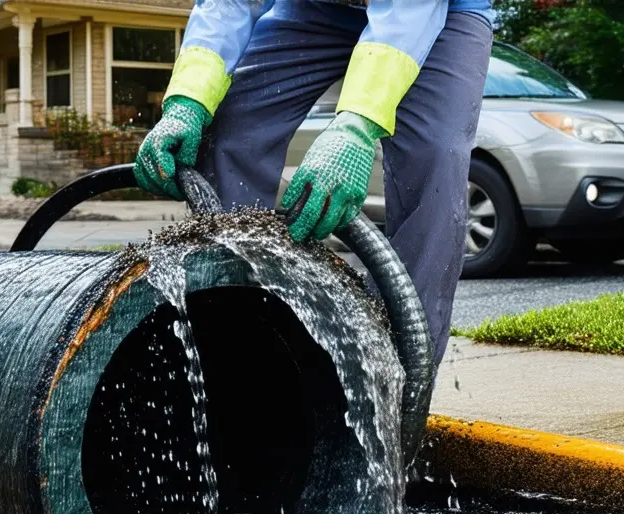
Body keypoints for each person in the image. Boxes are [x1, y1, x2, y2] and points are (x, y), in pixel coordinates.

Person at [134, 0, 495, 364]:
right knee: (228, 123)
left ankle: (396, 373)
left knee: (435, 158)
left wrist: (357, 125)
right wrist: (188, 101)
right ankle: (232, 328)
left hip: (441, 14)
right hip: (313, 8)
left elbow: (408, 13)